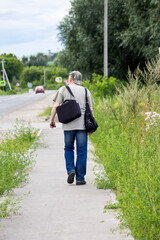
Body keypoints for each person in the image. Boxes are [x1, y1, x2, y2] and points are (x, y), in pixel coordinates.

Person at [50, 71, 95, 185]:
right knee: (82, 151)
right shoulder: (85, 90)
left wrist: (52, 120)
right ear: (80, 80)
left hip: (68, 126)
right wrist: (91, 127)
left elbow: (56, 106)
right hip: (82, 127)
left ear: (70, 79)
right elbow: (91, 110)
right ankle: (80, 179)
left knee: (69, 148)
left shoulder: (63, 89)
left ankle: (70, 170)